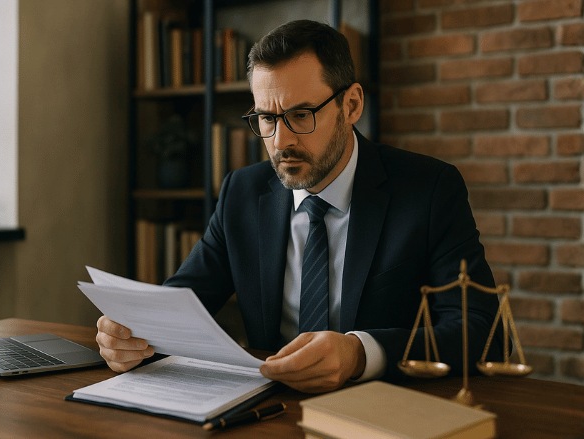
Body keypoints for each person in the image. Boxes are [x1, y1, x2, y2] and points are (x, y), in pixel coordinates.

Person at [96, 19, 503, 393]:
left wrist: (360, 353)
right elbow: (183, 303)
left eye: (301, 114)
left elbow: (480, 329)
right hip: (266, 408)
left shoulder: (430, 189)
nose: (280, 141)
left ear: (352, 105)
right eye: (267, 118)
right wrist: (135, 336)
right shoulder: (242, 191)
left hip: (381, 411)